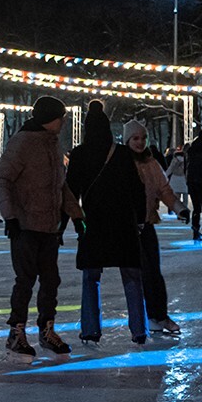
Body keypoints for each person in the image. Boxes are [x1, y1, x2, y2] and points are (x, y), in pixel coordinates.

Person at [0, 95, 82, 364]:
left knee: (51, 280)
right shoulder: (22, 143)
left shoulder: (54, 145)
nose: (64, 122)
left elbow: (60, 186)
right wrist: (9, 216)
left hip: (49, 227)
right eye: (61, 117)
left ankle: (47, 329)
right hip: (24, 225)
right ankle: (16, 332)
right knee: (25, 280)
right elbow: (0, 179)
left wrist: (76, 216)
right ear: (50, 118)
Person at [67, 102, 149, 350]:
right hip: (123, 222)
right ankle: (139, 330)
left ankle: (90, 329)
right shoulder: (122, 153)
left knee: (91, 277)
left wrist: (75, 221)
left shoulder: (79, 155)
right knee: (132, 276)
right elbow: (137, 189)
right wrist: (140, 219)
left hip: (93, 223)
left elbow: (70, 192)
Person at [125, 119, 190, 336]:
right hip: (128, 227)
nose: (140, 142)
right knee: (138, 275)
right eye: (135, 138)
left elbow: (164, 189)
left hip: (148, 223)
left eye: (143, 138)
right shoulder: (121, 164)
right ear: (127, 140)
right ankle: (144, 318)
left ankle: (158, 315)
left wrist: (179, 208)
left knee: (154, 272)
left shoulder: (151, 163)